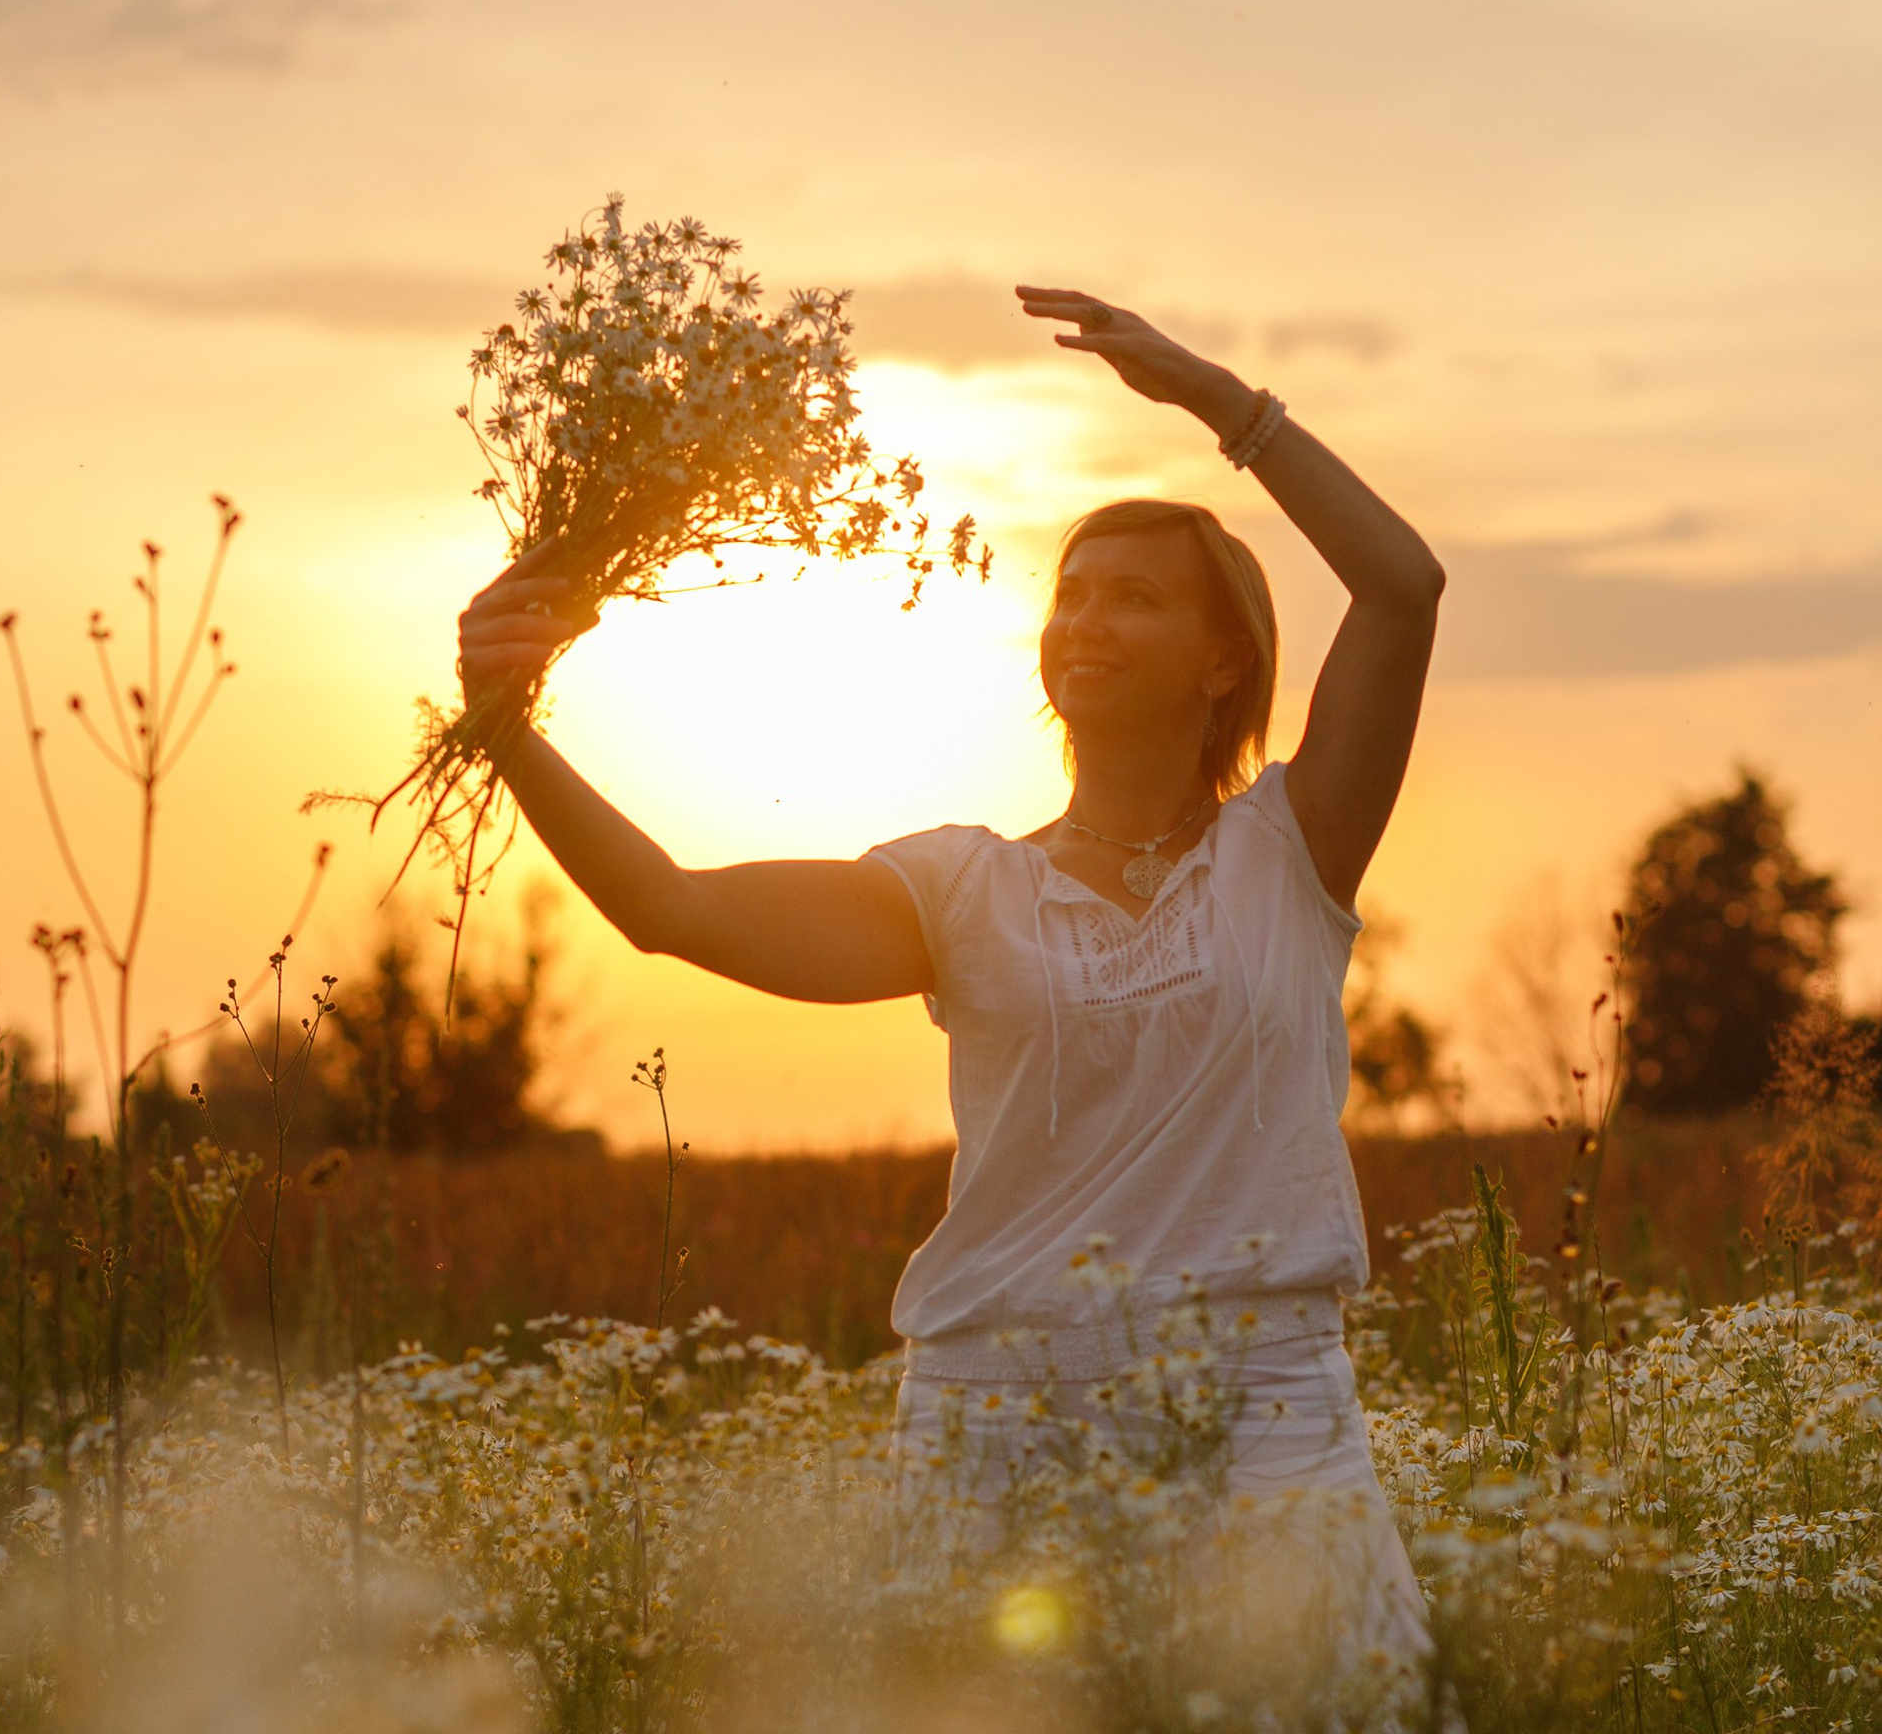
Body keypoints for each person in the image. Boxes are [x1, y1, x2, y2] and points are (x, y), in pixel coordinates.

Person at [457, 288, 1444, 1648]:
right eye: (1072, 597)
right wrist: (506, 728)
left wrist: (1224, 403)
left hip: (1267, 1402)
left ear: (1227, 663)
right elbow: (665, 906)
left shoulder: (1296, 847)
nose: (1085, 621)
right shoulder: (962, 891)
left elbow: (1405, 587)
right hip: (1004, 1407)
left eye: (1136, 600)